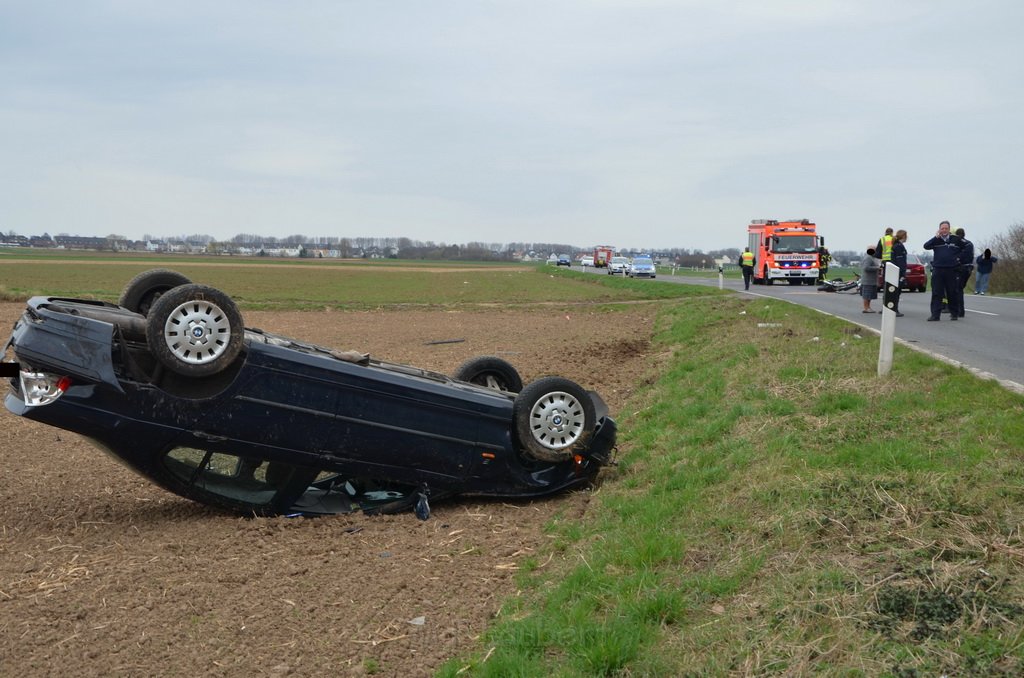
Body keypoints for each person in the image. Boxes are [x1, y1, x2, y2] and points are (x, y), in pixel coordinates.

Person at [923, 220, 964, 321]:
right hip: (938, 269)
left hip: (951, 269)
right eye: (942, 229)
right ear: (939, 229)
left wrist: (958, 258)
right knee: (937, 292)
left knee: (952, 292)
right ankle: (935, 315)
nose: (944, 230)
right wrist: (935, 237)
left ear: (949, 229)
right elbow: (926, 246)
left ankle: (954, 314)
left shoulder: (956, 239)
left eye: (946, 228)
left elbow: (964, 249)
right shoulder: (936, 240)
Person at [886, 229, 908, 317]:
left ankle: (893, 309)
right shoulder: (898, 247)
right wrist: (903, 274)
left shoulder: (896, 245)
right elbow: (900, 262)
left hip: (895, 272)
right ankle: (894, 309)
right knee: (896, 292)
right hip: (898, 273)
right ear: (904, 236)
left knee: (895, 292)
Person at [952, 227, 974, 318]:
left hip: (960, 268)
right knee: (960, 289)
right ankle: (960, 310)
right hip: (969, 268)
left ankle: (959, 311)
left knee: (957, 289)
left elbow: (958, 256)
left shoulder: (958, 243)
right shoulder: (969, 243)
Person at [860, 246, 881, 313]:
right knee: (866, 295)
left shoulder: (873, 258)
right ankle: (866, 308)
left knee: (870, 295)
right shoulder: (868, 258)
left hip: (872, 280)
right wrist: (877, 268)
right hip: (867, 280)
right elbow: (866, 268)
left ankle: (868, 307)